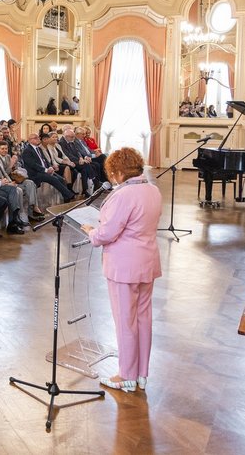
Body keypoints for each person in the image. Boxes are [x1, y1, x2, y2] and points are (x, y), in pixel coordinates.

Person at [80, 148, 161, 393]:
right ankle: (141, 374)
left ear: (117, 172)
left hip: (124, 266)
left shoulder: (122, 195)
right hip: (147, 261)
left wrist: (91, 231)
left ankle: (126, 375)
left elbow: (107, 234)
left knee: (125, 322)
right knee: (143, 319)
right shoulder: (153, 190)